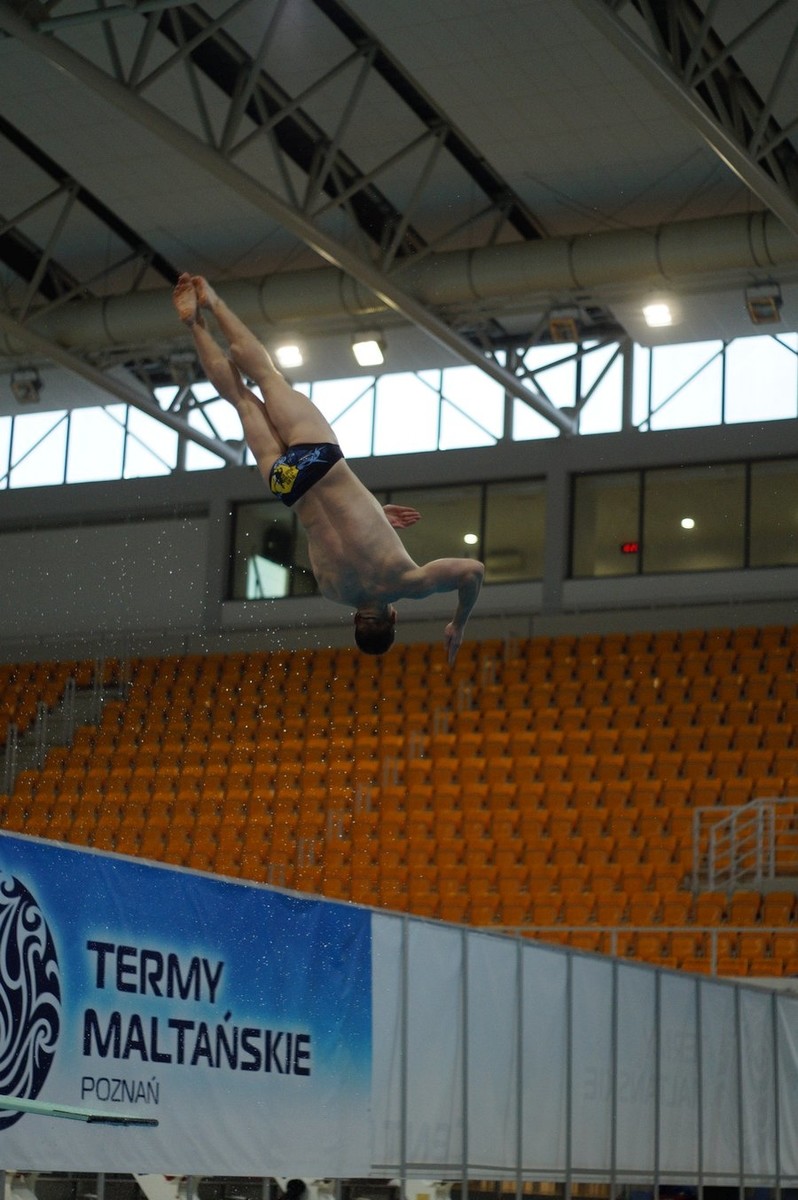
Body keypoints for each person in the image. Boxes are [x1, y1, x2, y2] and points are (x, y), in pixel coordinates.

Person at [172, 273, 484, 662]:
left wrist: (459, 623)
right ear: (356, 621)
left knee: (267, 377)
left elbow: (473, 571)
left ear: (393, 616)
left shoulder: (404, 581)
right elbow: (337, 535)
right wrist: (376, 517)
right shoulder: (333, 590)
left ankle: (214, 303)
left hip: (320, 459)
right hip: (288, 484)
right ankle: (194, 325)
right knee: (240, 399)